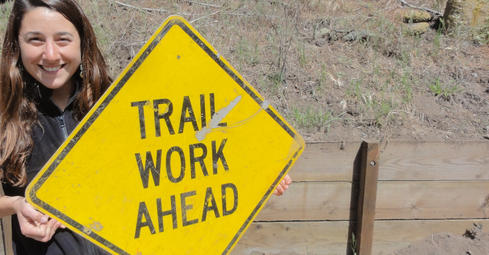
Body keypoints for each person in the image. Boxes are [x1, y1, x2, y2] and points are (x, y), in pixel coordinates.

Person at [0, 0, 292, 254]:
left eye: (63, 39)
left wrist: (256, 172)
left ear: (82, 42)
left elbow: (184, 158)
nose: (50, 54)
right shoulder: (5, 113)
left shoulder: (120, 102)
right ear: (16, 44)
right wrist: (15, 205)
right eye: (35, 40)